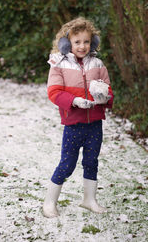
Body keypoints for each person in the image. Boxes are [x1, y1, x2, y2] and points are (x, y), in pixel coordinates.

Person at [43, 16, 114, 218]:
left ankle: (89, 200)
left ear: (93, 43)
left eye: (86, 41)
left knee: (92, 161)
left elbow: (108, 88)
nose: (82, 46)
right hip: (74, 124)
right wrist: (74, 101)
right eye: (77, 42)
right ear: (67, 43)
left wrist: (105, 96)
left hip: (94, 124)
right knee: (67, 164)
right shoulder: (59, 64)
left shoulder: (98, 63)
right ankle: (49, 202)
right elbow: (54, 92)